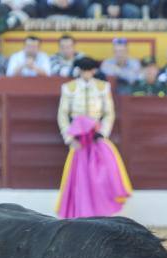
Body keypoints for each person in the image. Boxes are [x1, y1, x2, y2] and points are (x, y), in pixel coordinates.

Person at [55, 56, 132, 219]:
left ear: (94, 71)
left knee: (102, 176)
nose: (86, 74)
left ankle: (101, 212)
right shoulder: (69, 88)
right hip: (79, 140)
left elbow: (109, 113)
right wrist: (69, 138)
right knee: (79, 177)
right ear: (79, 71)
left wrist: (102, 133)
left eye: (89, 70)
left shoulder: (103, 87)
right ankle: (81, 213)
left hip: (96, 138)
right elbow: (62, 115)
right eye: (83, 70)